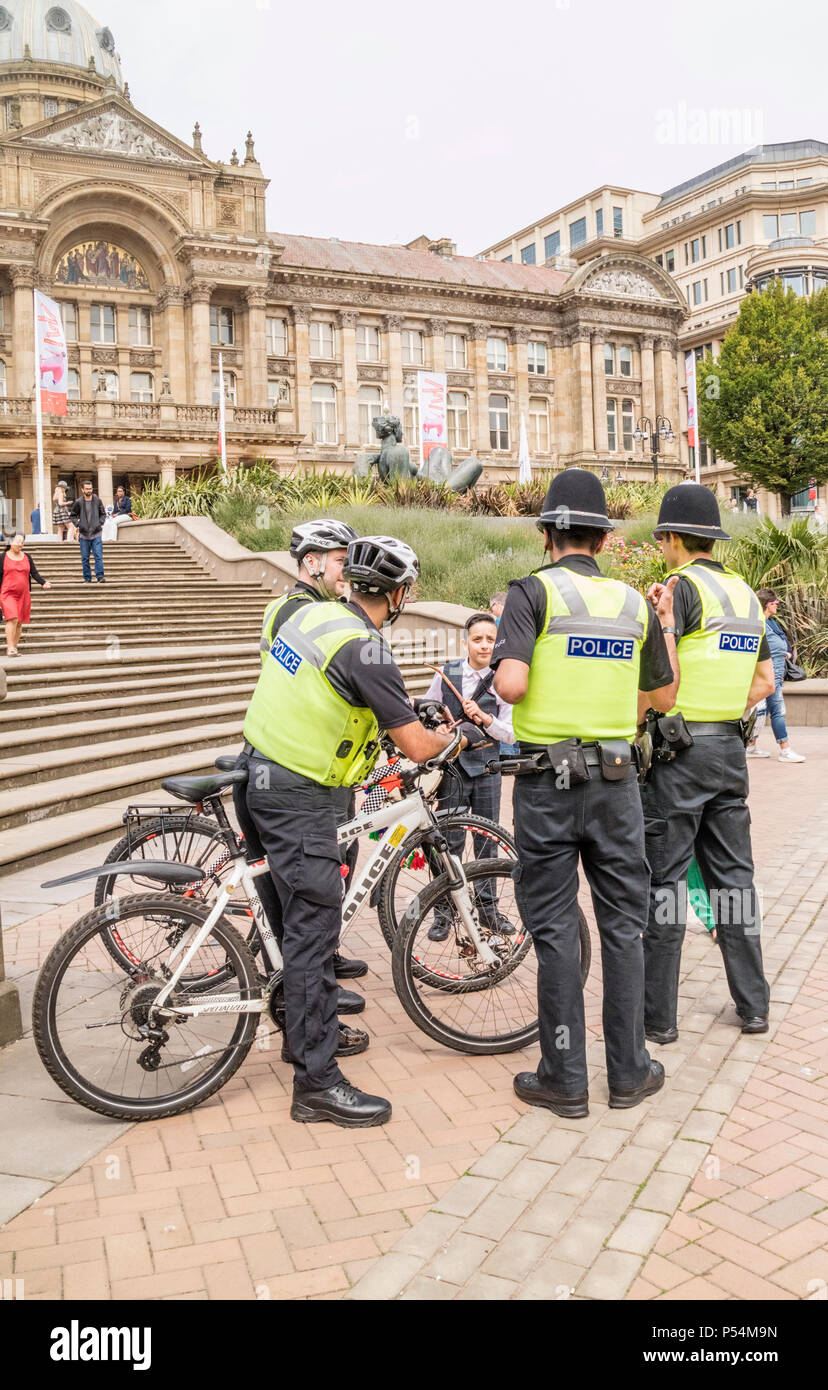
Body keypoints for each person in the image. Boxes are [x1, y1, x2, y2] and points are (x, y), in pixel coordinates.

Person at [239, 535, 456, 1127]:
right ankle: (317, 1083)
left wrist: (402, 708)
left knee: (292, 927)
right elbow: (414, 746)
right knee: (313, 937)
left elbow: (335, 689)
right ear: (398, 593)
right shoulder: (367, 648)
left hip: (257, 771)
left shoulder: (311, 615)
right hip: (299, 794)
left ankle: (300, 1035)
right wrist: (454, 738)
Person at [493, 469, 678, 1117]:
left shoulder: (529, 594)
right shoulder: (631, 605)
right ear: (602, 537)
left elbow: (512, 686)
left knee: (554, 933)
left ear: (547, 533)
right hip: (617, 783)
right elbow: (663, 698)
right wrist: (662, 627)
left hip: (547, 785)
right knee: (623, 929)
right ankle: (629, 1073)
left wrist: (512, 660)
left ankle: (565, 1079)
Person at [641, 484, 775, 1047]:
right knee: (734, 880)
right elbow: (765, 682)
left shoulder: (680, 587)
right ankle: (754, 1006)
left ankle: (659, 1020)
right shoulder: (744, 592)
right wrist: (722, 714)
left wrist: (664, 627)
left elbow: (664, 683)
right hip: (729, 753)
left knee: (667, 881)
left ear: (672, 538)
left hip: (679, 753)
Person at [235, 518, 368, 989]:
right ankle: (304, 990)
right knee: (303, 887)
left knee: (318, 879)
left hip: (295, 758)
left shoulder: (301, 606)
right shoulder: (299, 611)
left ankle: (319, 968)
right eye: (339, 561)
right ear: (311, 562)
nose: (346, 571)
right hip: (294, 764)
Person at [422, 610, 514, 941]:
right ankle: (444, 911)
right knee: (449, 842)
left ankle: (488, 910)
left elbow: (511, 733)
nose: (484, 645)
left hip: (488, 768)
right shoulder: (446, 674)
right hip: (453, 770)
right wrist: (439, 726)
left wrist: (487, 721)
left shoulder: (504, 680)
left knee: (487, 841)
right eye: (477, 639)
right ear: (466, 642)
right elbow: (428, 713)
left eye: (491, 639)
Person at [746, 589, 805, 763]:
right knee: (776, 711)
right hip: (766, 676)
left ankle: (751, 746)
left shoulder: (770, 623)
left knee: (763, 712)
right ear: (767, 605)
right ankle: (785, 750)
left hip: (775, 674)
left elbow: (781, 644)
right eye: (775, 603)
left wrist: (785, 653)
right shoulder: (758, 623)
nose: (778, 606)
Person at [1, 531, 51, 655]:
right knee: (12, 618)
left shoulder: (27, 557)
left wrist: (43, 582)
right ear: (10, 542)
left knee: (19, 622)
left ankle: (14, 647)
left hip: (23, 593)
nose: (20, 545)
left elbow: (34, 573)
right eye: (18, 542)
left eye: (22, 542)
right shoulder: (2, 557)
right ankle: (10, 647)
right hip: (7, 593)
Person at [70, 480, 106, 582]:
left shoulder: (97, 500)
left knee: (98, 556)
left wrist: (100, 523)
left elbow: (103, 514)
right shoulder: (78, 502)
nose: (89, 490)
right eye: (87, 489)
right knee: (85, 558)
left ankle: (100, 577)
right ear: (82, 490)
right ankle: (87, 578)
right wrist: (78, 525)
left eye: (90, 489)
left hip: (96, 533)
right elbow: (72, 516)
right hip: (84, 534)